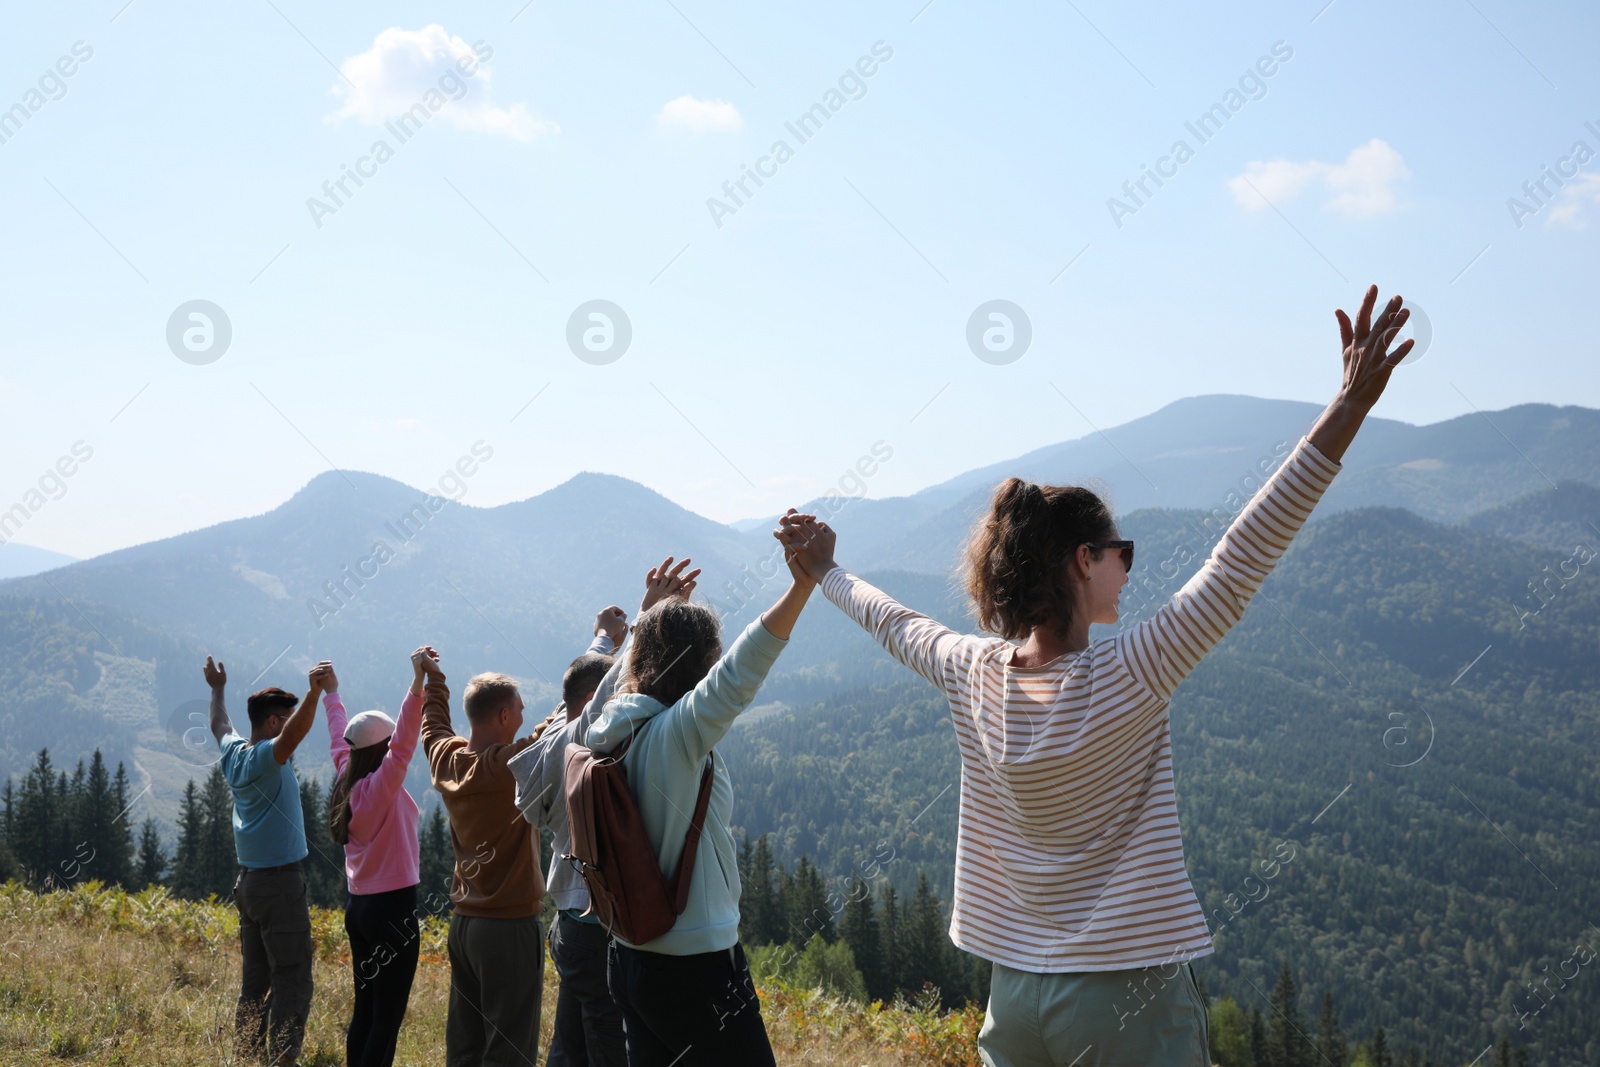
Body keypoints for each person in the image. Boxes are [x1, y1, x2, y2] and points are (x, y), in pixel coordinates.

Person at [777, 286, 1414, 1067]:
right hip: (1127, 998)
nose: (1128, 567)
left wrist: (826, 569)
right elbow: (1246, 550)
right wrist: (1348, 406)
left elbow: (892, 620)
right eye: (1123, 553)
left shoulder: (970, 671)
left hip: (1013, 996)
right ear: (1084, 560)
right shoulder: (1137, 669)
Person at [586, 543, 815, 1066]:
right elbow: (740, 674)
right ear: (701, 666)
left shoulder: (613, 725)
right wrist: (802, 586)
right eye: (711, 658)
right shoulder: (677, 736)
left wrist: (647, 621)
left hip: (629, 958)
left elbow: (624, 680)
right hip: (694, 967)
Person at [510, 557, 701, 1067]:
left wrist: (602, 639)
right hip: (597, 926)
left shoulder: (551, 749)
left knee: (568, 1043)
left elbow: (575, 698)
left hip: (568, 923)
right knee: (608, 1047)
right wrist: (645, 619)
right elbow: (595, 703)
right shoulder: (588, 741)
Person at [421, 640, 561, 1065]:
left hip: (464, 925)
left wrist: (434, 680)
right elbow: (554, 730)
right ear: (503, 716)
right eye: (518, 711)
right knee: (510, 1048)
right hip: (508, 928)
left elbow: (434, 728)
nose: (522, 719)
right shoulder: (508, 768)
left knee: (465, 1045)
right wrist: (605, 646)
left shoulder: (447, 761)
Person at [205, 655, 326, 1067]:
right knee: (292, 976)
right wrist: (314, 692)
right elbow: (294, 737)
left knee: (254, 984)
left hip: (250, 887)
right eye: (286, 720)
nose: (291, 727)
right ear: (274, 723)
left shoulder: (235, 754)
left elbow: (220, 724)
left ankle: (246, 1056)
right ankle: (283, 1059)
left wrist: (218, 687)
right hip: (279, 886)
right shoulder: (263, 759)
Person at [322, 649, 432, 1067]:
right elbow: (403, 744)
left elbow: (339, 738)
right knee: (387, 1020)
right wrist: (416, 684)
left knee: (366, 1011)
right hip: (393, 913)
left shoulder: (347, 779)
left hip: (361, 910)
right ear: (382, 750)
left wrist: (333, 694)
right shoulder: (382, 785)